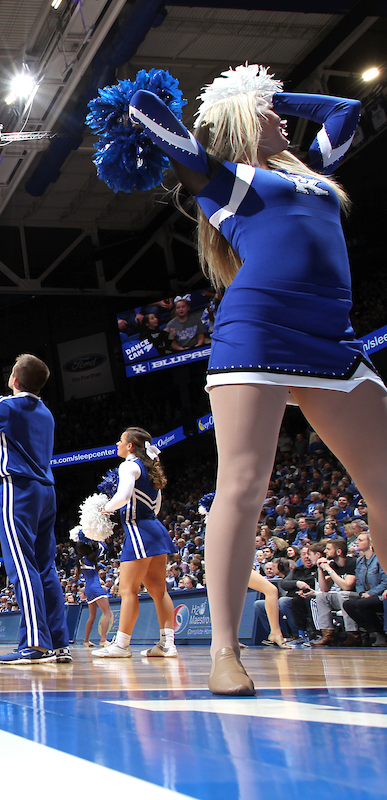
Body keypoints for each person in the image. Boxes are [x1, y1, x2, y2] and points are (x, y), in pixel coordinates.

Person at [128, 64, 387, 696]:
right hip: (259, 331)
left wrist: (272, 95)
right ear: (243, 126)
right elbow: (142, 107)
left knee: (383, 480)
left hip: (334, 337)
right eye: (266, 112)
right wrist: (228, 106)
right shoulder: (226, 180)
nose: (279, 117)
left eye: (276, 109)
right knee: (243, 484)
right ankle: (224, 651)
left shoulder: (311, 174)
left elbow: (347, 110)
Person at [0, 354, 70, 665]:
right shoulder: (46, 412)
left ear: (14, 380)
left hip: (17, 488)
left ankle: (35, 644)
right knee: (44, 567)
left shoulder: (7, 405)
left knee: (22, 566)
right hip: (45, 491)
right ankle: (58, 643)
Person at [91, 428, 178, 660]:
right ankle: (167, 644)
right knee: (159, 590)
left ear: (130, 446)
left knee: (128, 590)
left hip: (138, 531)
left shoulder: (128, 466)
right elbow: (156, 507)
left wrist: (105, 508)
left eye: (120, 440)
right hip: (155, 529)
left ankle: (121, 645)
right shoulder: (150, 468)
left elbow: (124, 496)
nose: (117, 443)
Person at [341, 533, 387, 646]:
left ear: (370, 543)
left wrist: (370, 593)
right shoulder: (360, 561)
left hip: (380, 595)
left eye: (360, 540)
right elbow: (359, 582)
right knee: (348, 604)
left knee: (362, 604)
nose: (357, 542)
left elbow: (385, 582)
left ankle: (380, 633)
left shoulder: (380, 559)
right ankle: (371, 631)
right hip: (366, 596)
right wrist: (362, 593)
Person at [312, 537, 356, 646]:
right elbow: (324, 588)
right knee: (322, 597)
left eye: (328, 549)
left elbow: (347, 586)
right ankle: (328, 634)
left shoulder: (351, 562)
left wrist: (330, 570)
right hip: (343, 597)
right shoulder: (333, 565)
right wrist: (320, 569)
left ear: (339, 552)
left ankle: (352, 634)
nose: (325, 551)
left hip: (355, 596)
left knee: (343, 594)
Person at [72, 533, 113, 648]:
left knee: (92, 616)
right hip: (96, 588)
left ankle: (86, 641)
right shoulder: (89, 559)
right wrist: (97, 537)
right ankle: (103, 640)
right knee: (107, 613)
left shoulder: (81, 560)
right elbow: (103, 548)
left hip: (88, 590)